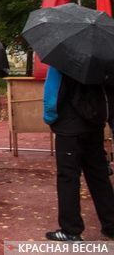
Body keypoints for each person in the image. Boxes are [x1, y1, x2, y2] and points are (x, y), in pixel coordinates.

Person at [43, 68, 114, 241]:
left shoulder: (61, 62)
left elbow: (52, 95)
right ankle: (111, 224)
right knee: (99, 176)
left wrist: (50, 119)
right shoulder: (103, 61)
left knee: (68, 178)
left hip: (69, 127)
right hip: (94, 124)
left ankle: (71, 229)